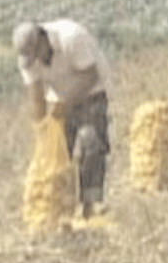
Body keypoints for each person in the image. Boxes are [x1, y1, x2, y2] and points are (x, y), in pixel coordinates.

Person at [12, 19, 114, 219]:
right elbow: (36, 96)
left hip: (92, 92)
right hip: (60, 98)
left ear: (42, 40)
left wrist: (67, 103)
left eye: (36, 54)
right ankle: (59, 208)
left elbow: (90, 76)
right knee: (59, 152)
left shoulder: (71, 37)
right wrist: (41, 129)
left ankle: (91, 204)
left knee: (91, 142)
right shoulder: (28, 60)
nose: (35, 61)